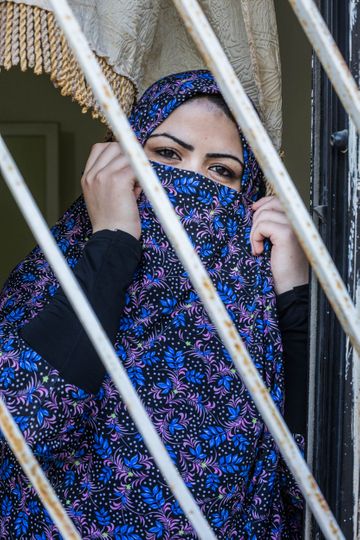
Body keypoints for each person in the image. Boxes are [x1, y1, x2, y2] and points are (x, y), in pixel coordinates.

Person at [0, 70, 308, 539]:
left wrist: (294, 299)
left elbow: (320, 486)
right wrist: (112, 243)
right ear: (115, 164)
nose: (189, 181)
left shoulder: (258, 323)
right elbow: (23, 424)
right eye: (166, 154)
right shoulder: (51, 277)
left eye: (221, 171)